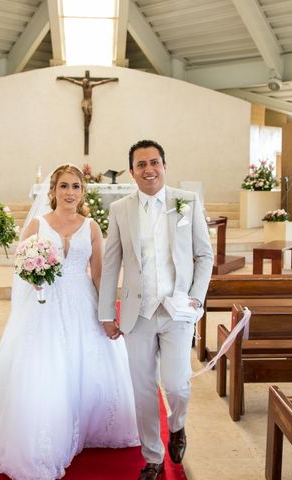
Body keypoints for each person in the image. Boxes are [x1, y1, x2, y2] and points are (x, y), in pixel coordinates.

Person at [0, 164, 138, 479]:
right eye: (64, 186)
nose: (70, 193)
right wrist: (34, 280)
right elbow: (21, 267)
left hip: (82, 303)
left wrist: (108, 312)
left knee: (86, 363)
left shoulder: (92, 226)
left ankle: (88, 425)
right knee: (47, 367)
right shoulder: (38, 225)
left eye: (76, 187)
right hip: (45, 305)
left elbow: (99, 274)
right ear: (53, 190)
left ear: (83, 191)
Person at [98, 140, 214, 480]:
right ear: (132, 171)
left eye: (154, 162)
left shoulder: (186, 202)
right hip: (138, 312)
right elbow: (111, 263)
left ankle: (177, 425)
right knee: (143, 389)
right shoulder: (120, 209)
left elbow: (204, 255)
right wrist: (107, 312)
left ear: (164, 165)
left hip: (177, 310)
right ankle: (152, 457)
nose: (149, 169)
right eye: (141, 164)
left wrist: (195, 297)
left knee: (177, 385)